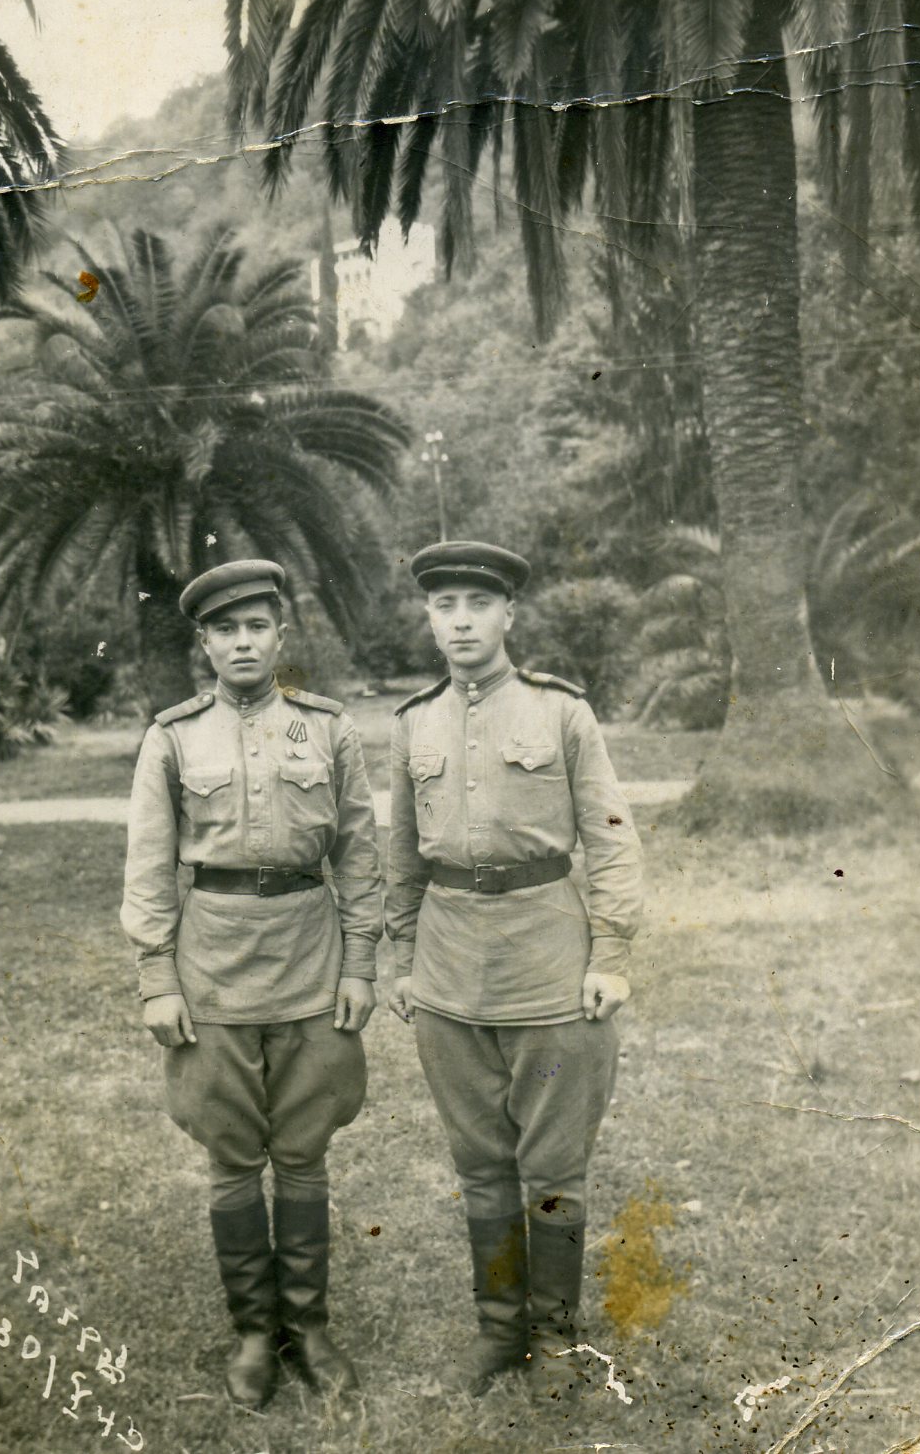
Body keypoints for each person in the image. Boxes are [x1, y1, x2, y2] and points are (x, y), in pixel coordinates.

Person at [386, 541, 644, 1405]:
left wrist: (610, 954)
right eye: (444, 605)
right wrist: (401, 957)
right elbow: (401, 853)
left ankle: (555, 1336)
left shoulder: (560, 711)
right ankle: (499, 1330)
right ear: (429, 618)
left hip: (548, 958)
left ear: (508, 615)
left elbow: (610, 836)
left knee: (554, 1162)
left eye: (477, 604)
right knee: (479, 1160)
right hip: (449, 964)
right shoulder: (413, 722)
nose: (460, 621)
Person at [120, 560, 381, 1410]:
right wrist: (158, 978)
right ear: (204, 642)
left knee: (303, 1150)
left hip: (311, 961)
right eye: (225, 630)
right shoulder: (173, 737)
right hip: (213, 968)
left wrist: (360, 964)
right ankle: (253, 1334)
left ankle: (308, 1327)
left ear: (280, 636)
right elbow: (149, 867)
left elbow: (360, 854)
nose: (242, 643)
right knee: (232, 1154)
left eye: (257, 627)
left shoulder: (327, 729)